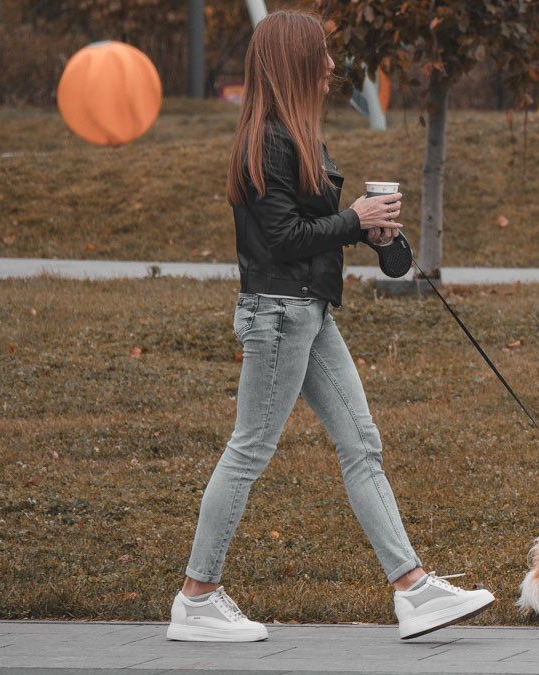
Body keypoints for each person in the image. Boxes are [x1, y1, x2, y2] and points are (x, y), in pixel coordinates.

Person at [166, 10, 494, 643]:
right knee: (251, 448)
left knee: (361, 442)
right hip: (280, 313)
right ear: (295, 62)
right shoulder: (267, 139)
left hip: (307, 311)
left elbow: (308, 233)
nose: (332, 66)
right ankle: (197, 598)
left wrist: (365, 228)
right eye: (321, 56)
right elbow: (283, 238)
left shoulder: (294, 135)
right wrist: (353, 218)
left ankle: (414, 589)